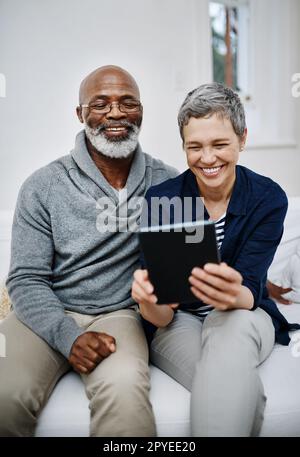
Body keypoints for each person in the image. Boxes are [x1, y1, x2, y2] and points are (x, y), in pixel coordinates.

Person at [0, 65, 178, 437]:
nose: (115, 113)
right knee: (5, 393)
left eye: (128, 103)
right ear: (80, 114)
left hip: (118, 315)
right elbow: (25, 278)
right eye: (100, 104)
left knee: (126, 393)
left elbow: (189, 258)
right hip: (43, 312)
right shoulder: (43, 185)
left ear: (141, 112)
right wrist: (68, 337)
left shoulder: (167, 183)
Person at [132, 83, 300, 437]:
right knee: (237, 393)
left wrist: (227, 293)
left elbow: (250, 291)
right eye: (195, 147)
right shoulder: (162, 201)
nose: (207, 159)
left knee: (230, 331)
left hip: (244, 313)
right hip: (178, 322)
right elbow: (161, 314)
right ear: (184, 147)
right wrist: (149, 303)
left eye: (220, 144)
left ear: (242, 139)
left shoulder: (268, 198)